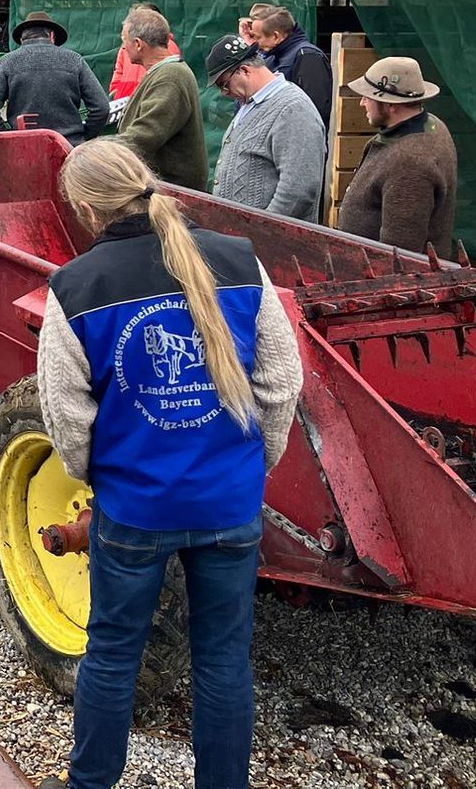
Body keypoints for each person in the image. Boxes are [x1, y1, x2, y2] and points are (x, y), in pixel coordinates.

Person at [35, 138, 303, 789]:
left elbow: (66, 417)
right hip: (229, 505)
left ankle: (90, 784)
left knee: (113, 653)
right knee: (222, 658)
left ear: (85, 209)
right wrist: (253, 463)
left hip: (134, 511)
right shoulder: (238, 261)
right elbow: (284, 378)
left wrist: (99, 476)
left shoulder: (74, 286)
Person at [336, 56, 459, 254]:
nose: (362, 103)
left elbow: (398, 255)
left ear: (391, 104)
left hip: (376, 279)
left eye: (369, 97)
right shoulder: (431, 125)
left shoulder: (411, 164)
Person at [207, 35, 326, 222]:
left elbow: (298, 189)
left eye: (224, 84)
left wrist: (263, 231)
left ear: (245, 70)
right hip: (245, 242)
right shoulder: (250, 104)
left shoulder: (293, 109)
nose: (224, 93)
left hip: (275, 247)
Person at [0, 11, 110, 145]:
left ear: (21, 39)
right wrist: (84, 136)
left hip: (23, 147)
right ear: (52, 36)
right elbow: (102, 108)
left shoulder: (6, 62)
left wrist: (10, 137)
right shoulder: (74, 60)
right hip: (70, 147)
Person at [117, 5, 207, 191]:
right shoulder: (166, 73)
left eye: (124, 40)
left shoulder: (170, 77)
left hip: (174, 191)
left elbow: (147, 133)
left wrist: (99, 149)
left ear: (139, 44)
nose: (123, 46)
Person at [249, 5, 333, 127]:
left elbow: (315, 110)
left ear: (276, 36)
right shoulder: (271, 56)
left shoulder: (308, 57)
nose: (256, 43)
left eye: (257, 37)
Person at [107, 2, 179, 101]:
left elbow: (167, 79)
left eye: (143, 19)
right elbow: (118, 72)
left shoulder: (167, 47)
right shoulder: (126, 47)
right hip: (124, 104)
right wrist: (116, 92)